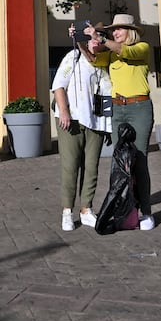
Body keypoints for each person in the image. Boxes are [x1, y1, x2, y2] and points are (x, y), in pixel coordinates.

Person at [90, 14, 155, 230]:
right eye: (113, 30)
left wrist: (101, 38)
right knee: (120, 162)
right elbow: (93, 59)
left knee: (139, 159)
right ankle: (125, 209)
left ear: (131, 31)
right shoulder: (111, 54)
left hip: (139, 108)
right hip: (117, 108)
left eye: (119, 29)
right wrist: (82, 40)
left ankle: (146, 212)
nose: (115, 33)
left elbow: (125, 51)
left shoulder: (142, 47)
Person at [52, 21, 112, 230]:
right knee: (70, 166)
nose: (95, 40)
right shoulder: (74, 56)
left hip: (97, 121)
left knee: (91, 167)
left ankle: (86, 209)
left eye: (99, 37)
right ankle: (67, 211)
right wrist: (64, 111)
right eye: (91, 36)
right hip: (73, 119)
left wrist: (108, 125)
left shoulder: (107, 62)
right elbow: (58, 85)